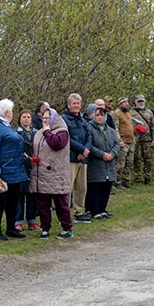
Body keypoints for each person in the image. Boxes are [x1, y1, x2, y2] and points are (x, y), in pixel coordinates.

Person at [0, 99, 28, 241]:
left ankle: (11, 228)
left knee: (13, 200)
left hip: (15, 169)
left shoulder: (5, 125)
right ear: (7, 112)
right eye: (12, 111)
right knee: (0, 200)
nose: (13, 114)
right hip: (3, 170)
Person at [29, 108, 74, 239]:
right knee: (43, 204)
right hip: (41, 173)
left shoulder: (62, 131)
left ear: (54, 118)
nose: (44, 120)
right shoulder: (39, 132)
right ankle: (45, 228)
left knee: (60, 203)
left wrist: (47, 132)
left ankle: (67, 228)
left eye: (47, 118)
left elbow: (57, 144)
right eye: (43, 118)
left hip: (56, 174)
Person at [85, 105, 119, 219]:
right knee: (96, 188)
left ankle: (103, 209)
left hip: (109, 164)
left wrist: (112, 154)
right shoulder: (89, 128)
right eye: (97, 115)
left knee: (106, 187)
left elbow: (117, 144)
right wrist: (102, 154)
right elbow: (91, 146)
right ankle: (95, 210)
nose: (100, 117)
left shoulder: (110, 130)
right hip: (96, 163)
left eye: (102, 115)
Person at [62, 94, 92, 222]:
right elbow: (67, 138)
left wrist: (86, 150)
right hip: (71, 158)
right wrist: (81, 149)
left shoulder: (83, 120)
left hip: (83, 159)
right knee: (68, 188)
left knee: (81, 187)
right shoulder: (64, 119)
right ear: (69, 105)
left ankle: (79, 212)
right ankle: (65, 213)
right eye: (74, 103)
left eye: (78, 103)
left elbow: (89, 136)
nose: (76, 106)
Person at [14, 110, 40, 232]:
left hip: (34, 166)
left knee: (32, 195)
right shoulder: (16, 133)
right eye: (23, 117)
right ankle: (18, 221)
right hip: (21, 166)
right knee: (20, 195)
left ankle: (32, 220)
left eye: (28, 117)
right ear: (20, 119)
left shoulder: (36, 133)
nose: (26, 119)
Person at [131, 95, 154, 185]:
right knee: (137, 159)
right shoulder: (131, 113)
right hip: (136, 139)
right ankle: (138, 178)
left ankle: (148, 177)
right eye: (139, 101)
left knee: (148, 159)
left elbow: (153, 125)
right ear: (135, 102)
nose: (141, 103)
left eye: (142, 101)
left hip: (147, 139)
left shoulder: (149, 112)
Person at [112, 97, 135, 189]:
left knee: (129, 163)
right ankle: (117, 181)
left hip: (131, 142)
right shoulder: (117, 113)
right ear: (120, 104)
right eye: (124, 102)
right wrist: (119, 140)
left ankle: (126, 180)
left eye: (127, 102)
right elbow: (115, 128)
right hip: (123, 142)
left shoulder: (128, 113)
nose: (127, 104)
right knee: (120, 163)